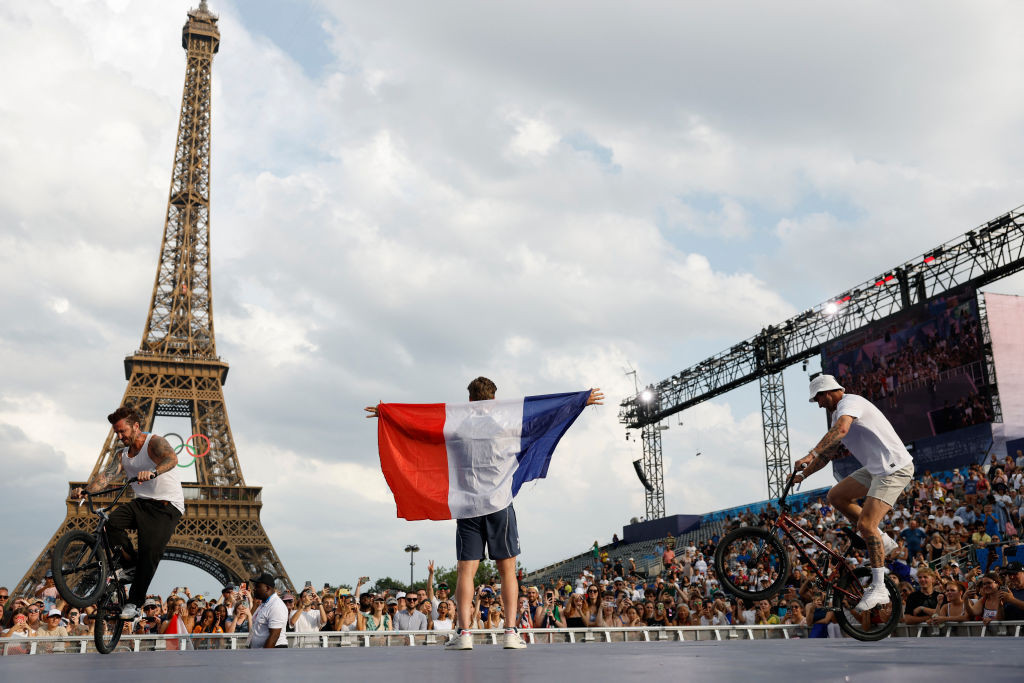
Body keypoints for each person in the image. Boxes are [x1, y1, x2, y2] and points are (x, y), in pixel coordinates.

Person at [365, 376, 603, 651]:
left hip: (467, 506)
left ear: (469, 399)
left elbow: (421, 427)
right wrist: (579, 401)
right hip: (500, 504)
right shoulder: (507, 424)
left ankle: (464, 632)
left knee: (466, 571)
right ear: (494, 398)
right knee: (508, 571)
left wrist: (388, 414)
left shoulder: (457, 426)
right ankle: (511, 632)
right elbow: (545, 418)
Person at [791, 375, 914, 612]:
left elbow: (842, 429)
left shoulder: (850, 403)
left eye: (818, 399)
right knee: (836, 496)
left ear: (827, 393)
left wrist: (810, 453)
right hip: (876, 469)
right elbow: (826, 455)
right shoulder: (838, 415)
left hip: (894, 469)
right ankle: (883, 540)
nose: (818, 405)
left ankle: (880, 588)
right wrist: (802, 476)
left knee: (866, 526)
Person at [71, 405, 184, 620]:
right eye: (117, 433)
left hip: (166, 506)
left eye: (123, 431)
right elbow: (106, 477)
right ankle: (129, 562)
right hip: (142, 503)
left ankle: (134, 603)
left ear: (136, 427)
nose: (120, 436)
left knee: (149, 553)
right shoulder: (122, 454)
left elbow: (171, 459)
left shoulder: (155, 442)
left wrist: (153, 471)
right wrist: (86, 491)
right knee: (110, 522)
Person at [248, 573, 287, 649]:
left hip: (272, 653)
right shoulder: (264, 604)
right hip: (261, 652)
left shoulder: (276, 605)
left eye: (257, 586)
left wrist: (264, 656)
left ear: (267, 588)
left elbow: (274, 636)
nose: (254, 589)